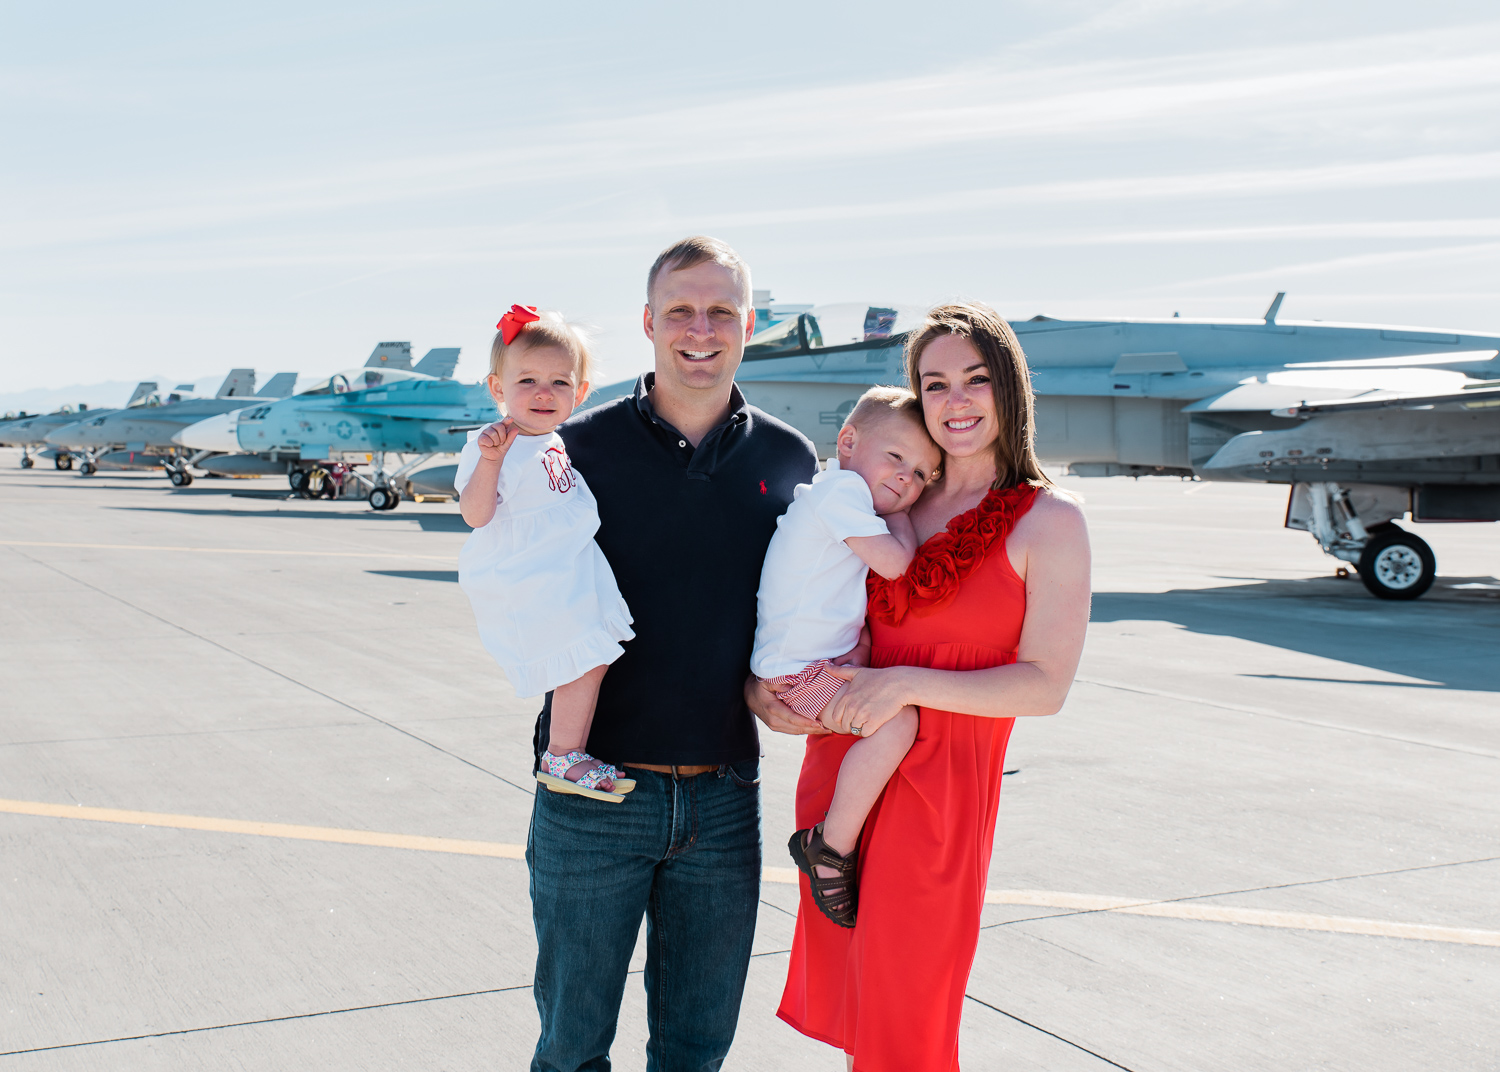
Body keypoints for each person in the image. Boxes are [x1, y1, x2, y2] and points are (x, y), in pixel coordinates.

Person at [761, 302, 1092, 1071]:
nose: (956, 401)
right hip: (843, 787)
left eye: (976, 379)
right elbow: (805, 611)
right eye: (934, 383)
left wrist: (903, 684)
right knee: (860, 1025)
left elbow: (1046, 688)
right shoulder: (888, 504)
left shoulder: (1051, 520)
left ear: (1010, 389)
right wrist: (761, 697)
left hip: (940, 797)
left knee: (907, 1031)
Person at [526, 236, 820, 1072]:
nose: (702, 328)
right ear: (649, 323)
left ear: (748, 324)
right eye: (682, 311)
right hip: (593, 795)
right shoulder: (573, 452)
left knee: (695, 1054)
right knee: (571, 1050)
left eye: (721, 310)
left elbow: (808, 610)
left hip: (725, 797)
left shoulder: (789, 459)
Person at [749, 386, 941, 928]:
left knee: (884, 695)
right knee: (896, 720)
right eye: (898, 459)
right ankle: (830, 844)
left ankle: (831, 840)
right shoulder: (841, 495)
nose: (907, 479)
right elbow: (896, 565)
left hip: (804, 666)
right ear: (849, 441)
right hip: (795, 677)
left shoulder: (841, 500)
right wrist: (905, 517)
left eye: (924, 475)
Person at [456, 306, 636, 801]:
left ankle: (567, 752)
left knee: (592, 656)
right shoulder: (494, 443)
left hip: (565, 565)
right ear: (498, 389)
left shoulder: (555, 440)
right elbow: (475, 514)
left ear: (579, 394)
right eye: (528, 380)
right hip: (530, 573)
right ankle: (561, 754)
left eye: (560, 383)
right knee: (578, 658)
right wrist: (491, 460)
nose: (543, 392)